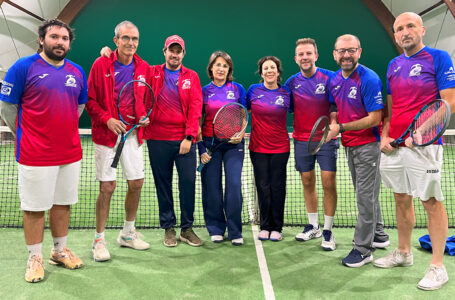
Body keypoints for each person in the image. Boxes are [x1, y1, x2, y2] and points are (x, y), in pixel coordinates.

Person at [0, 19, 86, 282]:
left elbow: (78, 107)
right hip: (35, 154)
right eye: (54, 37)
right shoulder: (22, 67)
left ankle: (59, 251)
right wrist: (26, 135)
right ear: (42, 39)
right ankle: (34, 257)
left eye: (64, 38)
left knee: (62, 204)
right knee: (35, 208)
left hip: (70, 153)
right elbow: (7, 108)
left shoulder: (77, 71)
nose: (60, 42)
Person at [374, 12, 455, 290]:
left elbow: (449, 103)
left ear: (421, 29)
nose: (405, 31)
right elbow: (392, 108)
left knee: (431, 202)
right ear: (395, 35)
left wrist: (420, 131)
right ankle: (404, 252)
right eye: (399, 28)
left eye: (410, 26)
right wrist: (385, 135)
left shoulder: (439, 57)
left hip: (425, 146)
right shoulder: (393, 64)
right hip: (395, 146)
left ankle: (437, 267)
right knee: (401, 199)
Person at [86, 20, 151, 262]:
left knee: (136, 183)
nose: (130, 43)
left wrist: (144, 116)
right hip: (106, 135)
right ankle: (99, 240)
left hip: (132, 133)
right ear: (116, 41)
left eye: (134, 39)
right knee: (107, 187)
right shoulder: (101, 63)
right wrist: (107, 119)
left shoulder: (143, 67)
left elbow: (142, 98)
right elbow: (90, 101)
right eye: (126, 38)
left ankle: (127, 233)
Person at [326, 34, 389, 267]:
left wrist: (340, 127)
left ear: (359, 52)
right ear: (335, 54)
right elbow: (334, 103)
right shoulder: (335, 79)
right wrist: (334, 120)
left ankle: (363, 249)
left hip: (368, 146)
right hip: (350, 146)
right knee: (367, 193)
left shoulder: (369, 78)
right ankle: (379, 233)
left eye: (351, 50)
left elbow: (375, 118)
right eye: (341, 51)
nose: (346, 55)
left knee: (364, 197)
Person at [143, 35, 203, 247]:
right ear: (164, 52)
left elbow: (196, 106)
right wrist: (107, 53)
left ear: (183, 54)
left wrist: (189, 136)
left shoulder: (192, 76)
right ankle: (168, 227)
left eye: (178, 51)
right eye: (171, 50)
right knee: (163, 185)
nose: (174, 54)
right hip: (157, 139)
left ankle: (187, 229)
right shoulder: (152, 72)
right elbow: (131, 64)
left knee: (188, 183)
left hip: (184, 141)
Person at [284, 38, 338, 251]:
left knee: (328, 182)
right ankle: (313, 225)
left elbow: (334, 105)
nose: (305, 57)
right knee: (307, 181)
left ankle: (328, 230)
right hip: (301, 139)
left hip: (325, 139)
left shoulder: (329, 77)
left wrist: (333, 124)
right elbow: (285, 109)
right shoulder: (291, 82)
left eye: (308, 53)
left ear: (316, 55)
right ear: (296, 58)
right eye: (301, 54)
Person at [198, 51, 247, 246]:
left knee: (234, 185)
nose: (221, 69)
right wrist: (201, 148)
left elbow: (243, 114)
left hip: (234, 145)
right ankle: (216, 228)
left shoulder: (237, 89)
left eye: (225, 66)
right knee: (211, 187)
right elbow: (198, 121)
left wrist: (241, 134)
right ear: (211, 68)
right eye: (217, 65)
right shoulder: (203, 91)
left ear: (229, 69)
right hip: (210, 145)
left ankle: (235, 230)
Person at [247, 56, 291, 242]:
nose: (269, 71)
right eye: (266, 68)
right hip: (257, 147)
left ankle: (277, 227)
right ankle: (265, 226)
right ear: (261, 72)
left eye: (273, 67)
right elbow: (245, 111)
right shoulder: (253, 91)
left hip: (280, 148)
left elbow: (297, 110)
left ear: (278, 72)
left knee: (277, 187)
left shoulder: (287, 93)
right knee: (263, 186)